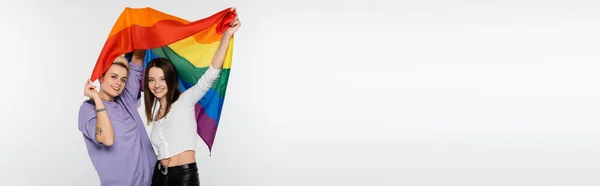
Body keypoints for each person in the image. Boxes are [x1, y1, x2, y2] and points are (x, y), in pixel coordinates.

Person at [143, 15, 241, 185]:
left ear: (171, 79)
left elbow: (210, 75)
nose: (156, 85)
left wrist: (226, 36)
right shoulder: (154, 115)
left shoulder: (185, 100)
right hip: (158, 177)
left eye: (162, 79)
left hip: (183, 177)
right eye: (151, 80)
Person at [78, 51, 157, 186]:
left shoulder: (126, 99)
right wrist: (97, 98)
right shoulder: (88, 109)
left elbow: (138, 57)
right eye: (113, 77)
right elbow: (107, 139)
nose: (118, 83)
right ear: (101, 77)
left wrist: (140, 30)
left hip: (154, 181)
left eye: (123, 80)